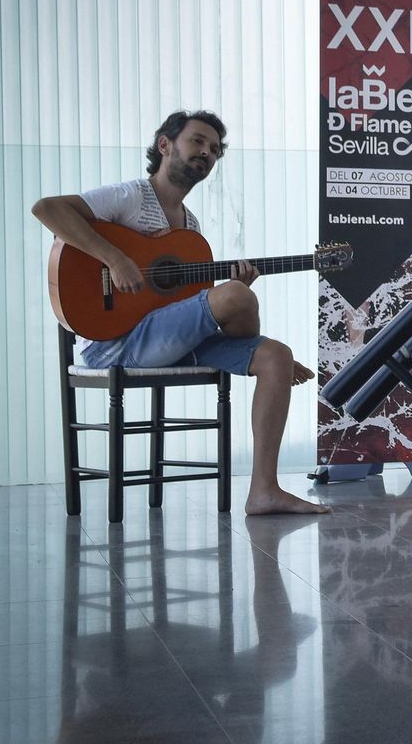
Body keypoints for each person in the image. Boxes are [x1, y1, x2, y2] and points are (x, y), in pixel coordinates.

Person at [33, 110, 329, 516]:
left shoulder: (188, 227)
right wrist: (115, 259)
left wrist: (236, 291)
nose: (206, 153)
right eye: (197, 142)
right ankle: (245, 331)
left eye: (214, 149)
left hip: (165, 338)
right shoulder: (130, 196)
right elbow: (47, 209)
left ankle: (264, 491)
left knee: (274, 355)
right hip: (115, 342)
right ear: (165, 144)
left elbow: (187, 305)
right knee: (237, 299)